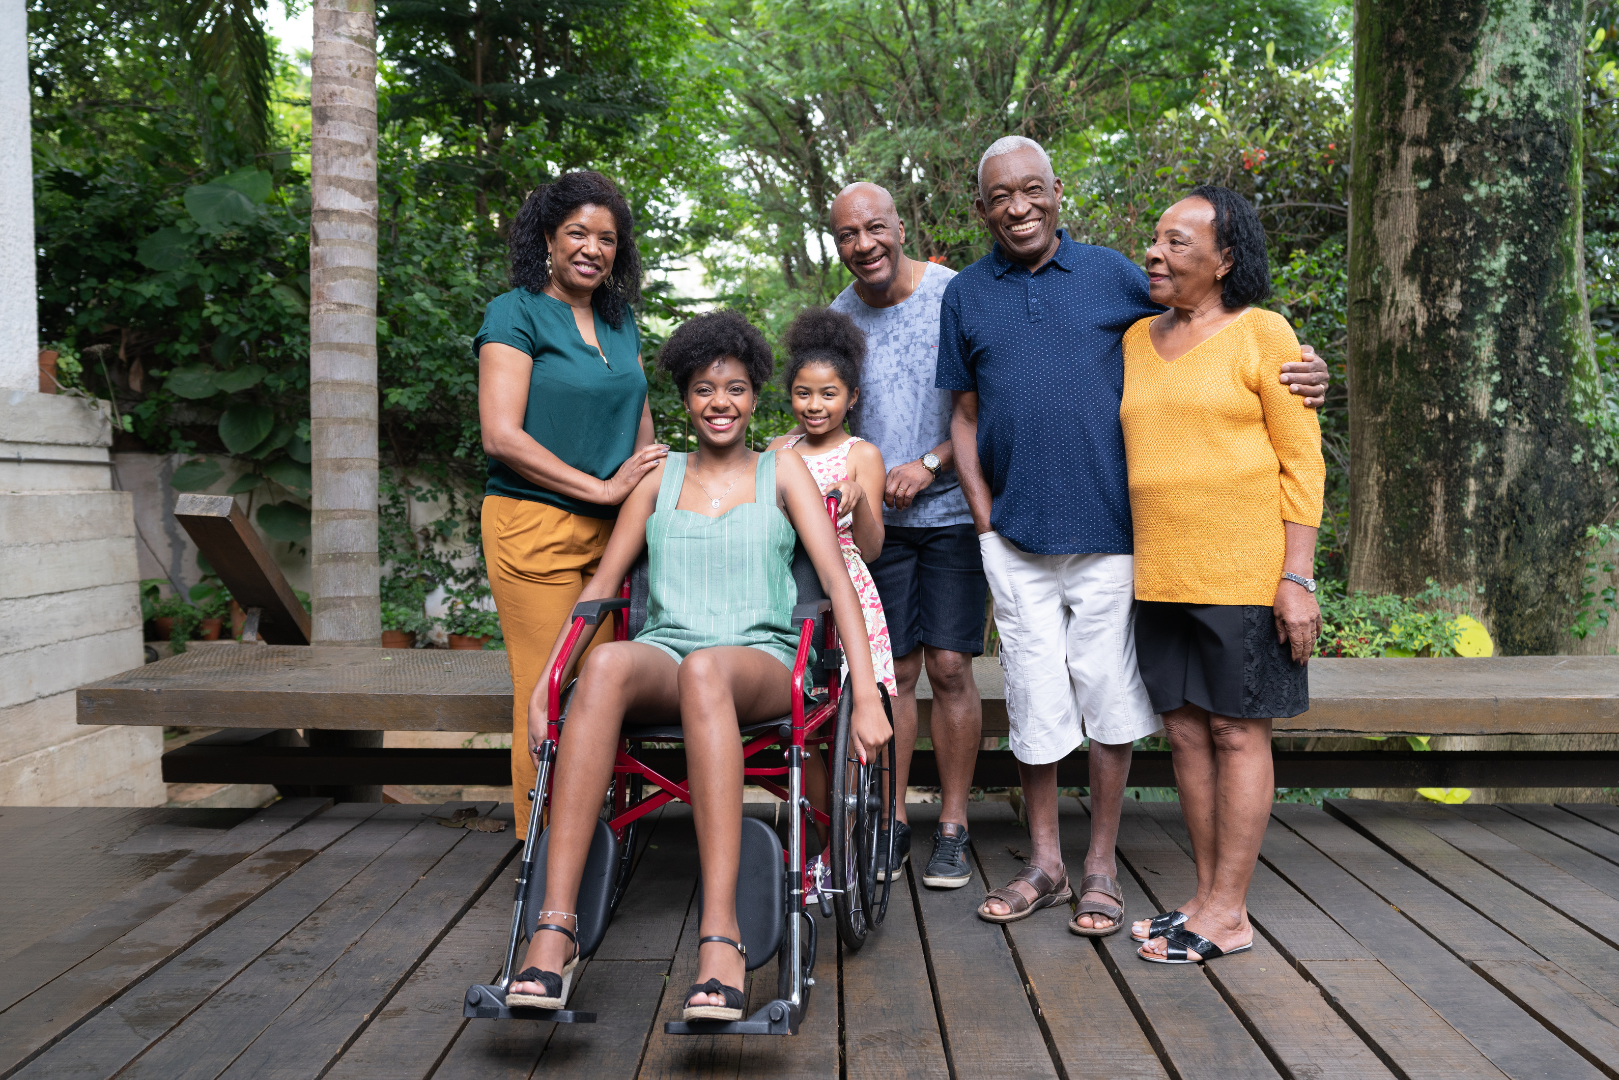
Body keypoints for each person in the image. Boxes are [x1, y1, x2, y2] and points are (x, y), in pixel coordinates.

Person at [938, 137, 1330, 935]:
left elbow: (1260, 391)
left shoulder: (1145, 288)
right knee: (1117, 716)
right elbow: (968, 410)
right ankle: (1115, 878)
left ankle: (1157, 887)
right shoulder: (1007, 305)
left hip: (1165, 554)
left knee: (1165, 715)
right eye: (999, 196)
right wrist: (983, 518)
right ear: (980, 209)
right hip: (1090, 555)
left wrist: (1307, 368)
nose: (1017, 207)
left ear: (1056, 192)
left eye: (1031, 189)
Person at [504, 311, 892, 1020]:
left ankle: (722, 937)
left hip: (760, 661)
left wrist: (864, 697)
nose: (721, 402)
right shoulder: (658, 478)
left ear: (754, 398)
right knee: (610, 665)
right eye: (705, 388)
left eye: (737, 388)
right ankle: (553, 932)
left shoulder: (786, 472)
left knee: (707, 669)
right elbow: (598, 592)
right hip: (670, 653)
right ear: (684, 397)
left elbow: (838, 582)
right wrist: (544, 686)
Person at [1125, 188, 1322, 964]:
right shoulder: (1137, 338)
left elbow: (1301, 461)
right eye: (1154, 237)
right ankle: (1204, 899)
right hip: (1160, 574)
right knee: (1183, 732)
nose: (1155, 252)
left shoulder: (1262, 333)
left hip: (1243, 573)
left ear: (1225, 260)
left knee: (1237, 734)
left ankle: (1230, 913)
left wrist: (1296, 578)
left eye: (1177, 242)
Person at [476, 171, 669, 836]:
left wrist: (656, 500)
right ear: (549, 241)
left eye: (607, 238)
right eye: (578, 234)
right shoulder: (514, 312)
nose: (592, 248)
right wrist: (603, 489)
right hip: (534, 528)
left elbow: (641, 437)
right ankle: (545, 871)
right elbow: (501, 435)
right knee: (549, 692)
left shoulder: (621, 324)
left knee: (605, 694)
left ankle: (598, 844)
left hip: (614, 539)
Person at [826, 182, 987, 889]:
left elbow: (989, 405)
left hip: (953, 516)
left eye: (873, 229)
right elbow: (824, 415)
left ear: (898, 227)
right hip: (876, 530)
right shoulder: (838, 319)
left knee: (950, 666)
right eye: (846, 236)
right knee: (893, 674)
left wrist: (929, 464)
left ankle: (951, 826)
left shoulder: (955, 294)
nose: (863, 245)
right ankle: (889, 820)